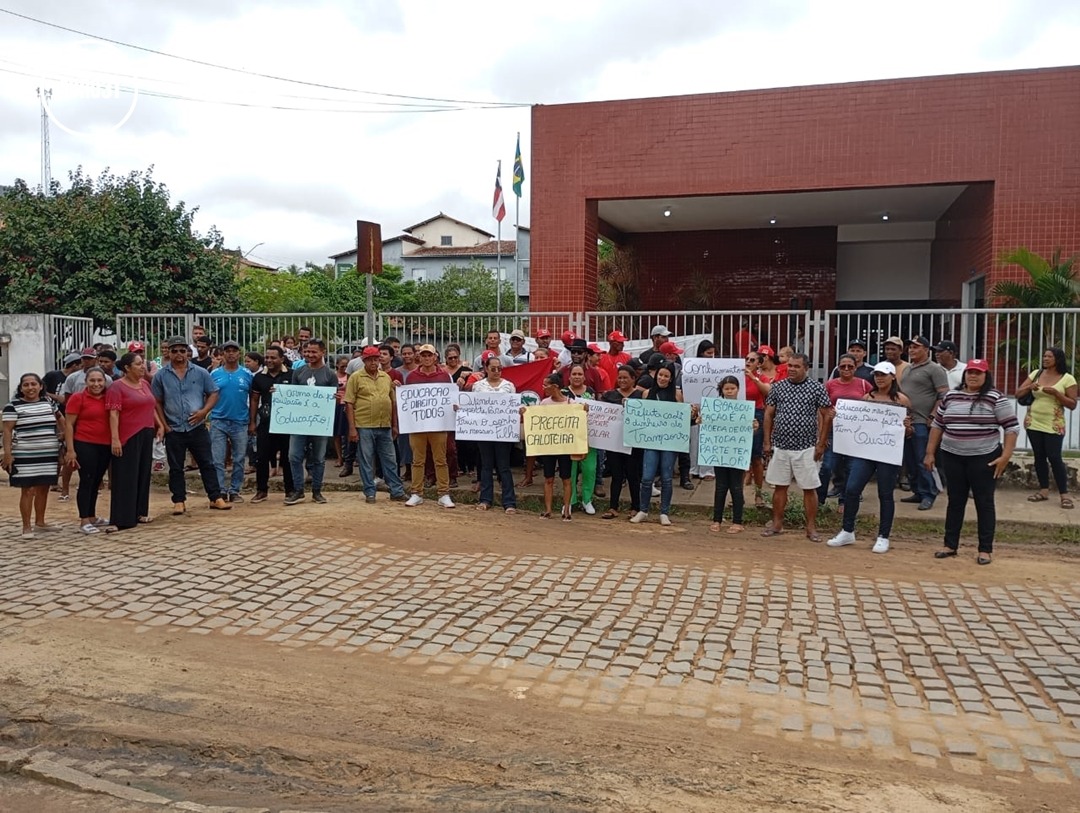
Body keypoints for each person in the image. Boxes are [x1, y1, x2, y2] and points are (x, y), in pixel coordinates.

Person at [925, 359, 1019, 565]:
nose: (973, 376)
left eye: (978, 372)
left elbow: (1012, 428)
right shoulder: (950, 396)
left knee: (984, 502)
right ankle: (950, 545)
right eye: (970, 372)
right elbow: (938, 425)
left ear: (986, 376)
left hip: (984, 458)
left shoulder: (996, 398)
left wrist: (1005, 457)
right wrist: (930, 453)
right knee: (955, 501)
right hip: (952, 456)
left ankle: (985, 549)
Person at [827, 361, 912, 553]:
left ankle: (883, 536)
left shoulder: (902, 400)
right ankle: (847, 530)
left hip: (887, 454)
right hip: (865, 452)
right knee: (852, 489)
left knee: (885, 494)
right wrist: (838, 416)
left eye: (883, 374)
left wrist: (907, 428)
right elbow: (857, 420)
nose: (879, 378)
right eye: (876, 375)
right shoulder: (867, 397)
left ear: (892, 377)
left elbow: (908, 433)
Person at [151, 335, 231, 514]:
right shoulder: (161, 376)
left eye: (182, 350)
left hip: (197, 427)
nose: (179, 354)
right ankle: (179, 500)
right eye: (174, 351)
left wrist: (204, 412)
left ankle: (215, 497)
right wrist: (164, 425)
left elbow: (213, 393)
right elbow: (156, 401)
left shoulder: (201, 372)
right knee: (176, 467)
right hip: (174, 428)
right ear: (168, 353)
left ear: (187, 352)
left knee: (207, 463)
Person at [761, 353, 831, 541]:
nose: (791, 369)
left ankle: (811, 528)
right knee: (779, 487)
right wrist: (767, 442)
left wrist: (821, 444)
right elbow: (768, 414)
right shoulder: (778, 387)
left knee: (809, 488)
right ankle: (777, 524)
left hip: (806, 447)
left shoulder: (817, 388)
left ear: (806, 368)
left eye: (796, 366)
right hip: (781, 446)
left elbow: (827, 415)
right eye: (790, 365)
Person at [2, 373, 65, 538]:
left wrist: (63, 433)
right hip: (24, 454)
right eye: (26, 385)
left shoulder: (49, 402)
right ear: (21, 388)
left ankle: (40, 522)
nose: (30, 388)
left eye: (33, 384)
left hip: (48, 452)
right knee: (28, 490)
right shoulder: (13, 406)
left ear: (41, 386)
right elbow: (7, 430)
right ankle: (26, 526)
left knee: (43, 488)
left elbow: (60, 418)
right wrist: (7, 453)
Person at [344, 346, 407, 504]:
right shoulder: (356, 378)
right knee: (366, 460)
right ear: (364, 361)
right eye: (369, 359)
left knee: (390, 460)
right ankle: (370, 492)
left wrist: (394, 425)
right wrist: (352, 429)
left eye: (376, 359)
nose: (373, 362)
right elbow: (349, 403)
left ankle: (396, 491)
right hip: (364, 425)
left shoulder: (385, 378)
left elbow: (392, 402)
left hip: (384, 425)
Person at [1017, 346, 1077, 509]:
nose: (1045, 359)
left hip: (1054, 423)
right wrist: (1029, 388)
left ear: (1057, 359)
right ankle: (1043, 491)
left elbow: (1072, 404)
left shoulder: (1067, 378)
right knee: (1039, 456)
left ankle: (1064, 494)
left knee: (1055, 457)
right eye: (1044, 356)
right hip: (1033, 421)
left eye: (1049, 356)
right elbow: (1018, 393)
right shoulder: (1036, 374)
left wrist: (1057, 394)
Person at [107, 353, 161, 531]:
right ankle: (122, 518)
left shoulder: (144, 384)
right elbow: (113, 413)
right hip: (128, 435)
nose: (142, 367)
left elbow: (150, 406)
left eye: (142, 364)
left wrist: (159, 424)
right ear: (127, 368)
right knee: (125, 476)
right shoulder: (117, 387)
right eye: (138, 364)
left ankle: (139, 512)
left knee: (143, 474)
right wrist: (115, 438)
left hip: (146, 432)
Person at [631, 362, 689, 526]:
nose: (662, 378)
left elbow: (682, 418)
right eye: (660, 375)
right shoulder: (647, 393)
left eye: (666, 376)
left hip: (669, 443)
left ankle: (664, 512)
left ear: (671, 379)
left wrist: (689, 411)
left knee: (666, 478)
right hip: (651, 441)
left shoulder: (677, 395)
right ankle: (643, 510)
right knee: (647, 477)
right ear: (656, 376)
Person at [284, 338, 338, 505]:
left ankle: (317, 491)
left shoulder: (330, 375)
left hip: (320, 422)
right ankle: (298, 490)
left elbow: (333, 399)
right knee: (294, 456)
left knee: (319, 458)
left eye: (314, 352)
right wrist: (280, 393)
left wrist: (335, 398)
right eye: (307, 352)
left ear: (323, 353)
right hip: (298, 421)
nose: (310, 355)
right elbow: (292, 394)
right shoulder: (298, 372)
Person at [899, 336, 949, 511]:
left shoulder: (935, 369)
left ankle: (929, 493)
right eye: (910, 347)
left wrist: (934, 415)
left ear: (926, 350)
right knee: (910, 461)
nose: (912, 350)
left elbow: (943, 395)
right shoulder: (907, 369)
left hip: (922, 421)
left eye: (916, 347)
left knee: (923, 460)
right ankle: (918, 491)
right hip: (906, 422)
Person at [403, 344, 456, 509]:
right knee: (417, 461)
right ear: (420, 357)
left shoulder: (445, 376)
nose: (426, 358)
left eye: (429, 355)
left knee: (440, 460)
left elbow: (452, 398)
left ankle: (444, 494)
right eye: (424, 355)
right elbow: (408, 401)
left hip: (439, 425)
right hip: (417, 425)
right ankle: (416, 493)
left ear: (435, 357)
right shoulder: (411, 377)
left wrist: (454, 405)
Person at [817, 353, 873, 506]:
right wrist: (822, 433)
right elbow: (821, 410)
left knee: (850, 467)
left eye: (850, 366)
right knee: (827, 466)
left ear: (855, 368)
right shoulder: (830, 385)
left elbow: (874, 405)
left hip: (856, 434)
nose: (846, 369)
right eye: (843, 366)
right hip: (833, 432)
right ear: (838, 368)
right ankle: (819, 501)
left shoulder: (864, 385)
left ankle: (845, 500)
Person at [64, 368, 113, 534]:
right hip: (85, 443)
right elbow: (69, 424)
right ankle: (84, 519)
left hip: (105, 445)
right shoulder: (78, 398)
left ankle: (92, 516)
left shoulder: (109, 397)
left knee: (97, 481)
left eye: (100, 380)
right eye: (92, 380)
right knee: (87, 480)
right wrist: (70, 450)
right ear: (86, 382)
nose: (96, 384)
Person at [469, 355, 519, 513]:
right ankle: (485, 499)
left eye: (499, 369)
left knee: (504, 467)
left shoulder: (509, 386)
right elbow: (473, 406)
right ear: (485, 369)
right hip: (484, 432)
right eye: (493, 369)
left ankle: (509, 502)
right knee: (486, 466)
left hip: (503, 432)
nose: (497, 371)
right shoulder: (478, 386)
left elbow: (513, 407)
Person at [709, 376, 756, 534]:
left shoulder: (744, 409)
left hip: (737, 453)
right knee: (720, 487)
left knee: (736, 487)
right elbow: (709, 427)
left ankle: (738, 521)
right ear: (722, 390)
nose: (729, 391)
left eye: (732, 388)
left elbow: (751, 429)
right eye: (726, 389)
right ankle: (717, 520)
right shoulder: (715, 408)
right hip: (719, 452)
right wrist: (704, 420)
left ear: (738, 389)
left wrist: (754, 426)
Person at [248, 345, 293, 503]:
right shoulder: (259, 377)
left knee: (287, 458)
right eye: (267, 357)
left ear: (282, 359)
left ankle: (290, 490)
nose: (269, 360)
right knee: (262, 457)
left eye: (273, 357)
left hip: (288, 424)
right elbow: (254, 400)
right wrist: (252, 422)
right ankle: (261, 490)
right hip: (266, 423)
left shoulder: (293, 375)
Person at [210, 340, 253, 503]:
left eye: (234, 351)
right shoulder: (214, 374)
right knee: (217, 459)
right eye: (227, 351)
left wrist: (251, 421)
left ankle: (235, 490)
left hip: (240, 421)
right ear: (222, 354)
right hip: (218, 421)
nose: (230, 354)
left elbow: (254, 398)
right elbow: (207, 395)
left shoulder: (247, 374)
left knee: (239, 458)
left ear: (239, 353)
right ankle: (220, 490)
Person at [600, 365, 643, 520]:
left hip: (633, 442)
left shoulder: (640, 396)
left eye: (626, 377)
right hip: (614, 442)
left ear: (633, 379)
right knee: (616, 475)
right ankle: (613, 507)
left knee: (633, 475)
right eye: (620, 377)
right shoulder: (609, 395)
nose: (622, 380)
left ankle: (635, 507)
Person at [537, 373, 576, 520]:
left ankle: (567, 510)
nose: (544, 388)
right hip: (549, 446)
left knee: (566, 478)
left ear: (555, 386)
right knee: (548, 478)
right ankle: (548, 510)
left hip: (565, 446)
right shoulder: (544, 403)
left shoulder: (571, 404)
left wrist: (584, 410)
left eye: (546, 385)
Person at [563, 363, 598, 514]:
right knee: (570, 470)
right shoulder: (563, 392)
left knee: (590, 469)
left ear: (584, 377)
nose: (577, 377)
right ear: (569, 377)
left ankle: (587, 500)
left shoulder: (590, 392)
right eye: (574, 374)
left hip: (588, 437)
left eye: (580, 374)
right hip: (569, 438)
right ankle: (569, 500)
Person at [744, 350, 773, 508]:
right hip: (739, 414)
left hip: (756, 414)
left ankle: (759, 494)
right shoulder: (738, 376)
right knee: (740, 457)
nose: (748, 361)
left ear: (759, 363)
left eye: (752, 360)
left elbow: (767, 391)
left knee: (756, 457)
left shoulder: (761, 378)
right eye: (747, 359)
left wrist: (753, 378)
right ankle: (738, 494)